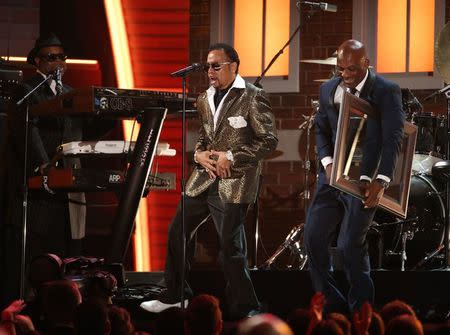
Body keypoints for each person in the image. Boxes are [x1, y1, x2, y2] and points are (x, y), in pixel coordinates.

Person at [143, 43, 278, 319]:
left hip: (234, 181)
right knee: (176, 232)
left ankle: (247, 308)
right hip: (203, 179)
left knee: (230, 249)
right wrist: (199, 154)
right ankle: (175, 295)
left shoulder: (252, 96)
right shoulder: (204, 98)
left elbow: (268, 140)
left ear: (233, 66)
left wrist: (232, 156)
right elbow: (205, 136)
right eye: (207, 66)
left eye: (216, 66)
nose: (210, 72)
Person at [2, 33, 114, 304]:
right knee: (36, 256)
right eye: (52, 57)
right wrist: (44, 165)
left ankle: (62, 307)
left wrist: (110, 113)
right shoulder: (26, 91)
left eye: (62, 57)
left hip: (67, 189)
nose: (59, 62)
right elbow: (27, 130)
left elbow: (84, 130)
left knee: (65, 251)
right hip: (39, 190)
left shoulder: (70, 94)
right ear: (38, 61)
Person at [303, 39, 405, 314]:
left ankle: (362, 311)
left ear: (366, 64)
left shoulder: (386, 91)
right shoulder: (328, 89)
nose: (345, 75)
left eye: (351, 70)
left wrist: (381, 180)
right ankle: (333, 305)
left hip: (364, 181)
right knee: (312, 238)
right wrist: (326, 162)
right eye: (340, 69)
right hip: (331, 177)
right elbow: (321, 130)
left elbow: (393, 138)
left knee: (350, 245)